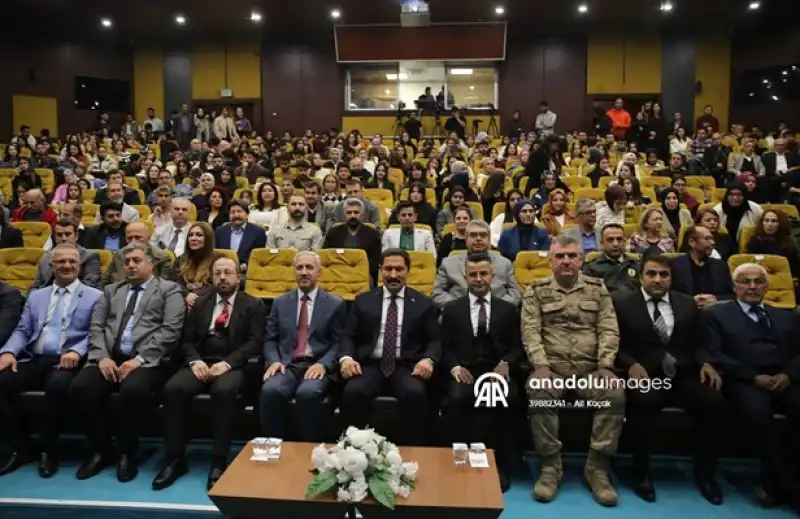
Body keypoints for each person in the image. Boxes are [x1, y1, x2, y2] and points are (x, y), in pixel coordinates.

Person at [613, 255, 725, 504]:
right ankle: (641, 471)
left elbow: (700, 341)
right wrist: (629, 363)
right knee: (645, 401)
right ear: (641, 277)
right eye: (652, 274)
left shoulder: (686, 303)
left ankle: (706, 474)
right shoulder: (622, 303)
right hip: (645, 373)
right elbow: (614, 343)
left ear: (671, 278)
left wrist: (706, 362)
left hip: (683, 373)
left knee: (713, 400)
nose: (658, 279)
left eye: (664, 275)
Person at [523, 233, 624, 506]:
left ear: (581, 260)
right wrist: (540, 365)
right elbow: (531, 331)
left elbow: (608, 328)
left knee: (614, 394)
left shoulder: (597, 288)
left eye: (571, 256)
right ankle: (550, 467)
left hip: (591, 370)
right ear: (550, 261)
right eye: (559, 256)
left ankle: (597, 469)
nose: (566, 261)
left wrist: (605, 365)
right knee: (539, 391)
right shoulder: (536, 290)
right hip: (551, 369)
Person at [70, 243, 185, 482]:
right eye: (127, 262)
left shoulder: (169, 289)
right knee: (80, 389)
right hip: (110, 357)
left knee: (132, 390)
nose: (130, 265)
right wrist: (102, 357)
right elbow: (96, 327)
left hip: (149, 360)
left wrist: (139, 359)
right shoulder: (112, 290)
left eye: (136, 260)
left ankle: (127, 452)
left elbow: (170, 331)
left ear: (151, 264)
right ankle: (102, 449)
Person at [153, 255, 265, 491]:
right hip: (201, 362)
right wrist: (194, 361)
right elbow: (186, 339)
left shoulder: (253, 305)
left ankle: (218, 459)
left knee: (224, 392)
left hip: (232, 364)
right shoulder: (201, 303)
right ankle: (175, 457)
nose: (222, 277)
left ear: (239, 277)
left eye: (228, 273)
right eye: (217, 273)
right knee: (173, 390)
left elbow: (255, 343)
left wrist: (228, 364)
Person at [0, 245, 101, 477]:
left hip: (69, 359)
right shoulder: (36, 296)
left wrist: (77, 351)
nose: (67, 266)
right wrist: (8, 353)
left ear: (79, 266)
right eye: (61, 262)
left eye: (72, 262)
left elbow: (95, 332)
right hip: (36, 358)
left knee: (56, 387)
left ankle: (48, 450)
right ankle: (20, 447)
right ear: (51, 266)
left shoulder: (95, 296)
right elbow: (23, 330)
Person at [706, 263, 800, 512]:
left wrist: (789, 374)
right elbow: (715, 353)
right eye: (745, 281)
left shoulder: (784, 315)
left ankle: (773, 480)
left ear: (767, 287)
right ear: (734, 286)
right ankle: (789, 487)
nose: (752, 286)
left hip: (783, 380)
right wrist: (752, 376)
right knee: (760, 417)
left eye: (758, 282)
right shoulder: (717, 314)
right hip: (744, 381)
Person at [339, 249, 440, 446]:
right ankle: (352, 452)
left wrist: (428, 359)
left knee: (415, 394)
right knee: (352, 393)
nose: (393, 275)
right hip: (370, 365)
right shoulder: (363, 300)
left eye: (399, 269)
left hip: (406, 366)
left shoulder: (423, 303)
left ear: (408, 271)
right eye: (388, 269)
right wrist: (347, 358)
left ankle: (415, 451)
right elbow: (348, 336)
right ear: (380, 270)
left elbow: (435, 340)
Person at [439, 253, 523, 492]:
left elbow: (518, 346)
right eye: (473, 275)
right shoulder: (453, 309)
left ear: (492, 276)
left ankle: (499, 465)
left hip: (496, 371)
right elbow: (443, 345)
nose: (478, 279)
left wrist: (506, 363)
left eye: (483, 274)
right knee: (457, 399)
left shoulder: (507, 309)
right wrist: (454, 366)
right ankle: (460, 462)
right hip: (464, 370)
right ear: (465, 277)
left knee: (506, 400)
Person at [260, 251, 346, 442]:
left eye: (309, 267)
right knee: (270, 390)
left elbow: (339, 342)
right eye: (299, 268)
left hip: (316, 365)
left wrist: (324, 364)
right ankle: (274, 447)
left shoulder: (335, 304)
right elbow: (270, 339)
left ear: (319, 272)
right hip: (288, 365)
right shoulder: (280, 303)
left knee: (307, 393)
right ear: (294, 272)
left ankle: (308, 448)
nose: (304, 272)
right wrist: (273, 360)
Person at [433, 220, 521, 309]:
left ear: (489, 240)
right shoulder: (448, 263)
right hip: (459, 316)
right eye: (473, 235)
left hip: (497, 316)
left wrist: (496, 309)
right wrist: (459, 308)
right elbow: (437, 293)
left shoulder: (505, 263)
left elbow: (515, 293)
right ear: (466, 240)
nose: (478, 238)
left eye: (483, 235)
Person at [671, 225, 734, 307]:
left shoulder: (721, 266)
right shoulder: (675, 265)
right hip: (685, 312)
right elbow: (669, 293)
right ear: (692, 242)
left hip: (716, 312)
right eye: (707, 239)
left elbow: (732, 295)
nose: (713, 243)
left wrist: (716, 300)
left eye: (712, 239)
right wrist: (690, 301)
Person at [323, 198, 383, 284]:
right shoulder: (333, 232)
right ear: (344, 214)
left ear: (362, 214)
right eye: (349, 213)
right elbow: (327, 256)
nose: (352, 216)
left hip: (363, 275)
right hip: (337, 274)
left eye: (356, 212)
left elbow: (375, 261)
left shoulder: (373, 234)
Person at [31, 219, 101, 290]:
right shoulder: (45, 258)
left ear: (76, 236)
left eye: (68, 234)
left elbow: (90, 285)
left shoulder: (90, 256)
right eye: (59, 235)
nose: (63, 238)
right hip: (48, 297)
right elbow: (35, 287)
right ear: (55, 237)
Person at [101, 222, 173, 288]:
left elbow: (164, 288)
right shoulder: (118, 256)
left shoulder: (162, 258)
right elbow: (104, 282)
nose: (133, 241)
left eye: (138, 237)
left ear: (148, 238)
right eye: (129, 238)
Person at [169, 222, 216, 309]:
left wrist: (197, 296)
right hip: (182, 301)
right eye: (190, 235)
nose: (193, 238)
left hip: (207, 303)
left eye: (199, 235)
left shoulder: (217, 260)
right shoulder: (180, 260)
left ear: (208, 239)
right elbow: (174, 283)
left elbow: (217, 285)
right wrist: (187, 295)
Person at [582, 223, 640, 294]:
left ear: (624, 242)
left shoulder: (636, 264)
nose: (615, 244)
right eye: (610, 240)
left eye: (619, 239)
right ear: (602, 243)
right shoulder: (591, 267)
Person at [215, 200, 267, 270]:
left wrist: (243, 267)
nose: (236, 215)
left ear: (247, 214)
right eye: (232, 212)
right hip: (223, 271)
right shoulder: (220, 231)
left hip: (248, 272)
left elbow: (260, 257)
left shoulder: (258, 232)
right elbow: (215, 255)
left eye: (239, 211)